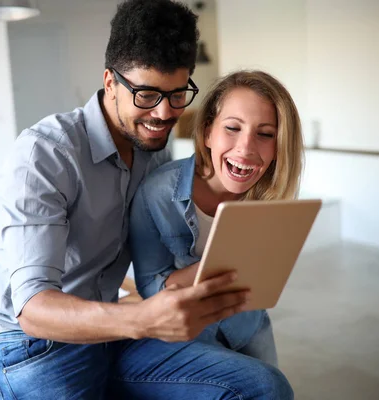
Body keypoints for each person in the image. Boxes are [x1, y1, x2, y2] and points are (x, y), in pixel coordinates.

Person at [0, 0, 294, 398]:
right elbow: (33, 311)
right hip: (37, 347)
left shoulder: (152, 144)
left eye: (178, 94)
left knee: (264, 386)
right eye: (146, 94)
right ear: (110, 82)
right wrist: (140, 319)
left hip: (113, 331)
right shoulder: (44, 153)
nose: (163, 113)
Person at [129, 70, 303, 370]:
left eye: (265, 134)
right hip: (194, 332)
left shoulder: (269, 195)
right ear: (208, 131)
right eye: (233, 128)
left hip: (250, 320)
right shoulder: (156, 193)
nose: (246, 148)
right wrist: (223, 263)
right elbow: (150, 288)